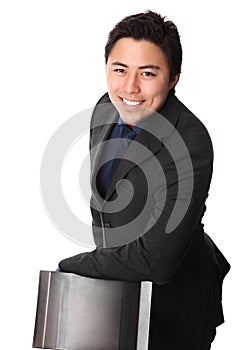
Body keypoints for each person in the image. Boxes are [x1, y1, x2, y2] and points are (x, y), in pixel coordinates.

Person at [58, 10, 230, 349]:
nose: (130, 87)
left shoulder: (190, 141)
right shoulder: (105, 109)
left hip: (176, 310)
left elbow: (157, 260)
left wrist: (71, 267)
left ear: (174, 77)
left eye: (148, 73)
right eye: (119, 70)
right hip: (116, 297)